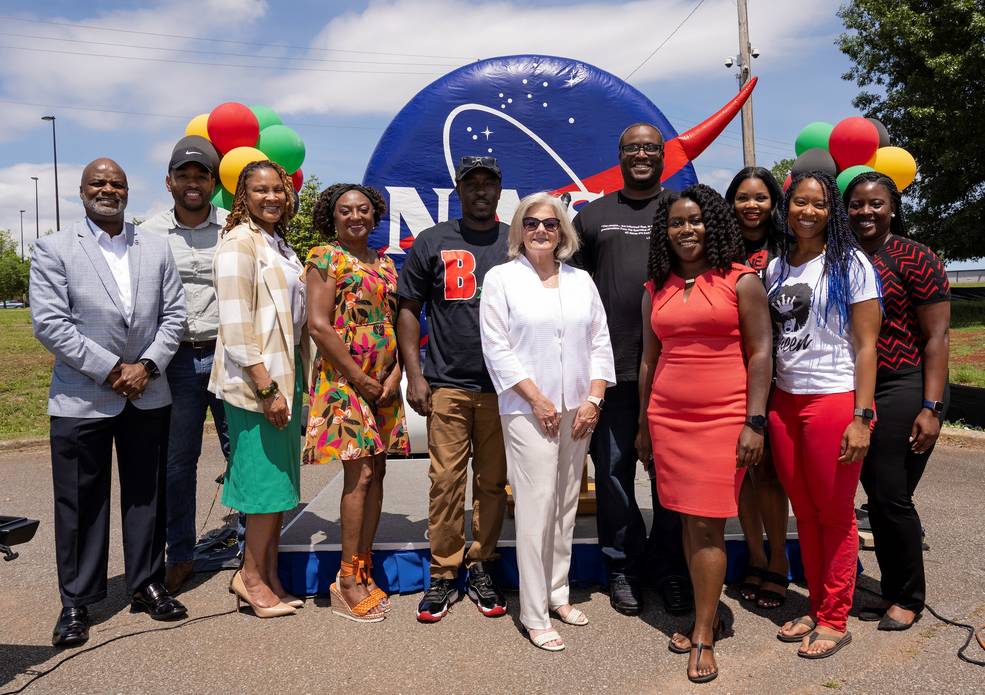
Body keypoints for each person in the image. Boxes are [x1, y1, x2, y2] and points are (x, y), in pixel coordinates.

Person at [31, 158, 188, 648]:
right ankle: (77, 601)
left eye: (116, 183)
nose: (108, 189)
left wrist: (148, 366)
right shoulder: (54, 247)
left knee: (148, 494)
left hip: (149, 392)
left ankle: (146, 583)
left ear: (128, 190)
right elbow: (51, 324)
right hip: (82, 397)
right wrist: (113, 369)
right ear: (81, 191)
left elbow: (175, 316)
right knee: (79, 501)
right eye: (98, 182)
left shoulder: (155, 246)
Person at [636, 184, 772, 682]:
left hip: (724, 418)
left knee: (709, 524)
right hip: (669, 419)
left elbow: (761, 354)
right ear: (664, 231)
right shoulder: (657, 287)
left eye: (694, 220)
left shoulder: (741, 281)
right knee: (690, 524)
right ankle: (706, 612)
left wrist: (754, 422)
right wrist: (644, 426)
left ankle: (703, 635)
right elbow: (649, 360)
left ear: (712, 223)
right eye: (676, 222)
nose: (685, 229)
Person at [480, 192, 615, 651]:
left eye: (551, 224)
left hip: (579, 408)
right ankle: (534, 612)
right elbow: (496, 347)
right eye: (532, 222)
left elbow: (599, 339)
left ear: (563, 232)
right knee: (536, 509)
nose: (541, 230)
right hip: (528, 410)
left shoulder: (580, 280)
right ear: (519, 229)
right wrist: (537, 399)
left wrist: (595, 397)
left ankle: (558, 592)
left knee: (565, 506)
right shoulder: (501, 279)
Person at [572, 122, 689, 616]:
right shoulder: (593, 216)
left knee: (670, 476)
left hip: (675, 370)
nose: (642, 154)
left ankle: (670, 569)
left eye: (650, 148)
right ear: (619, 155)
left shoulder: (683, 212)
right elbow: (570, 288)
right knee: (615, 475)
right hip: (611, 370)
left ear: (664, 156)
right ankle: (622, 567)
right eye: (632, 148)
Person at [767, 171, 881, 658]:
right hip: (784, 402)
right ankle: (817, 604)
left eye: (818, 204)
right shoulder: (776, 268)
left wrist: (862, 415)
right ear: (786, 207)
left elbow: (866, 346)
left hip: (833, 398)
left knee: (834, 515)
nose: (807, 212)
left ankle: (836, 617)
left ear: (831, 211)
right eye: (799, 203)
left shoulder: (849, 263)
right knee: (806, 513)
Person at [397, 155, 510, 623]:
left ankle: (481, 563)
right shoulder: (433, 240)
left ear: (500, 190)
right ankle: (444, 573)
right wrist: (415, 373)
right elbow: (408, 309)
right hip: (446, 383)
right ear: (459, 190)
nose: (480, 191)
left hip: (504, 387)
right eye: (472, 184)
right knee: (445, 482)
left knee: (492, 484)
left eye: (488, 183)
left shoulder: (518, 240)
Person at [844, 171, 950, 631]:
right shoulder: (839, 257)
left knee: (890, 496)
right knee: (880, 496)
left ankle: (908, 596)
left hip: (902, 384)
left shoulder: (915, 256)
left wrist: (932, 407)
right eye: (857, 204)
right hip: (853, 385)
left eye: (876, 203)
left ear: (893, 207)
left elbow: (938, 338)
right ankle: (890, 590)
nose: (866, 212)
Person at [304, 183, 411, 622]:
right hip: (344, 378)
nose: (355, 217)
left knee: (378, 469)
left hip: (382, 380)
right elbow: (318, 325)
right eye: (346, 210)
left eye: (363, 210)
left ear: (375, 214)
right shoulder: (324, 257)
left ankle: (363, 566)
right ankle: (345, 578)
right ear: (333, 216)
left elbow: (393, 322)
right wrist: (361, 379)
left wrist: (396, 372)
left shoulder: (385, 262)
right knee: (361, 472)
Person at [209, 160, 309, 619]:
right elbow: (235, 326)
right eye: (260, 190)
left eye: (278, 190)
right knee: (261, 487)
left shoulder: (280, 245)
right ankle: (249, 578)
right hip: (257, 387)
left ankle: (267, 574)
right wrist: (266, 389)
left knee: (279, 488)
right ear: (242, 197)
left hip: (287, 379)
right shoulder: (238, 245)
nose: (271, 197)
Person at [140, 136, 231, 593]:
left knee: (243, 455)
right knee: (179, 462)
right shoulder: (148, 233)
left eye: (202, 175)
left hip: (229, 354)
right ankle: (180, 554)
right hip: (175, 358)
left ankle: (256, 549)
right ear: (169, 181)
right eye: (184, 174)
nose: (192, 182)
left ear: (214, 183)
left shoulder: (235, 227)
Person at [724, 167, 791, 609]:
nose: (751, 205)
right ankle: (754, 555)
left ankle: (780, 562)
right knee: (742, 473)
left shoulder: (792, 247)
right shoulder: (720, 249)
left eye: (761, 197)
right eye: (743, 197)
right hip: (732, 373)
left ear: (773, 203)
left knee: (770, 472)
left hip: (784, 370)